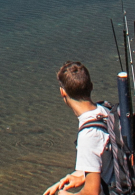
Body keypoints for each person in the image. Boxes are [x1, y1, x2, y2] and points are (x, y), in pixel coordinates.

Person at [45, 61, 107, 195]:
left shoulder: (88, 135)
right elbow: (106, 159)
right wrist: (81, 175)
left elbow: (92, 193)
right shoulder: (106, 111)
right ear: (91, 86)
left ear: (62, 92)